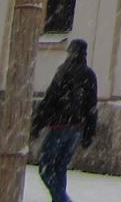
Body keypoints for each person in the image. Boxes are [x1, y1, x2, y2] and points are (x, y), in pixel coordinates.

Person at [30, 37, 98, 202]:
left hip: (59, 125)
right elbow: (92, 106)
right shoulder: (89, 74)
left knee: (46, 167)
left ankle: (61, 200)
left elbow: (50, 99)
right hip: (77, 128)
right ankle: (59, 199)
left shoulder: (64, 71)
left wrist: (37, 124)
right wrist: (89, 132)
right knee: (60, 166)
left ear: (71, 52)